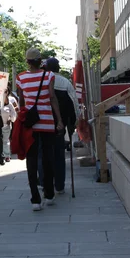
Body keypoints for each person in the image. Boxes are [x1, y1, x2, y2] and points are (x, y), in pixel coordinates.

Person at [16, 48, 64, 211]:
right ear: (40, 61)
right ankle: (49, 194)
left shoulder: (21, 77)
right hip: (47, 122)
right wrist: (59, 120)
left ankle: (35, 198)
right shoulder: (49, 76)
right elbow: (52, 98)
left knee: (32, 159)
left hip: (30, 124)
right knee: (48, 158)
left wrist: (24, 117)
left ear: (27, 62)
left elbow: (21, 101)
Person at [44, 57, 80, 194]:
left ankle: (44, 182)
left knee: (44, 154)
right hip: (60, 125)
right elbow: (74, 103)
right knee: (59, 155)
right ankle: (59, 185)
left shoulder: (43, 80)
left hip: (43, 124)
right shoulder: (65, 82)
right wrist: (73, 123)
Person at [1, 89, 17, 162]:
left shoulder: (10, 103)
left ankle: (7, 155)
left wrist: (10, 119)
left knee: (5, 140)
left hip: (6, 126)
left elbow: (14, 113)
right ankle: (0, 155)